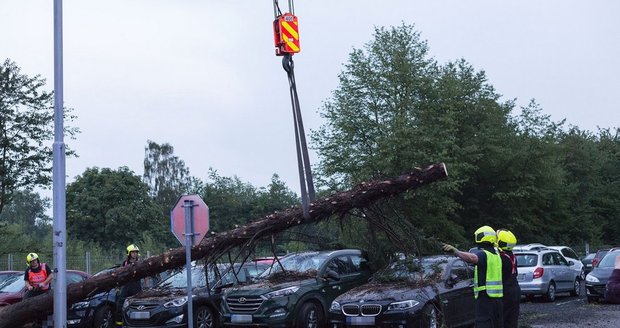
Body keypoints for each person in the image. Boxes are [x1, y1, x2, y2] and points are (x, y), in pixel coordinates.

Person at [443, 225, 504, 328]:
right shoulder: (496, 255)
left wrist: (456, 252)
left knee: (483, 324)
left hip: (485, 298)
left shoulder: (484, 254)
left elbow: (472, 258)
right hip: (497, 300)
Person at [496, 229, 520, 328]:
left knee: (502, 320)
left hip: (506, 292)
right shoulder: (512, 256)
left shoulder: (500, 258)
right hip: (515, 290)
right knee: (512, 320)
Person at [115, 244, 143, 327]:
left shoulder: (140, 262)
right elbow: (119, 275)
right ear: (129, 253)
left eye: (136, 252)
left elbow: (145, 275)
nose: (134, 254)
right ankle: (119, 324)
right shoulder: (125, 263)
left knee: (138, 307)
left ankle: (138, 324)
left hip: (137, 287)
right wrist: (118, 287)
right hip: (126, 286)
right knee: (120, 306)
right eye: (133, 252)